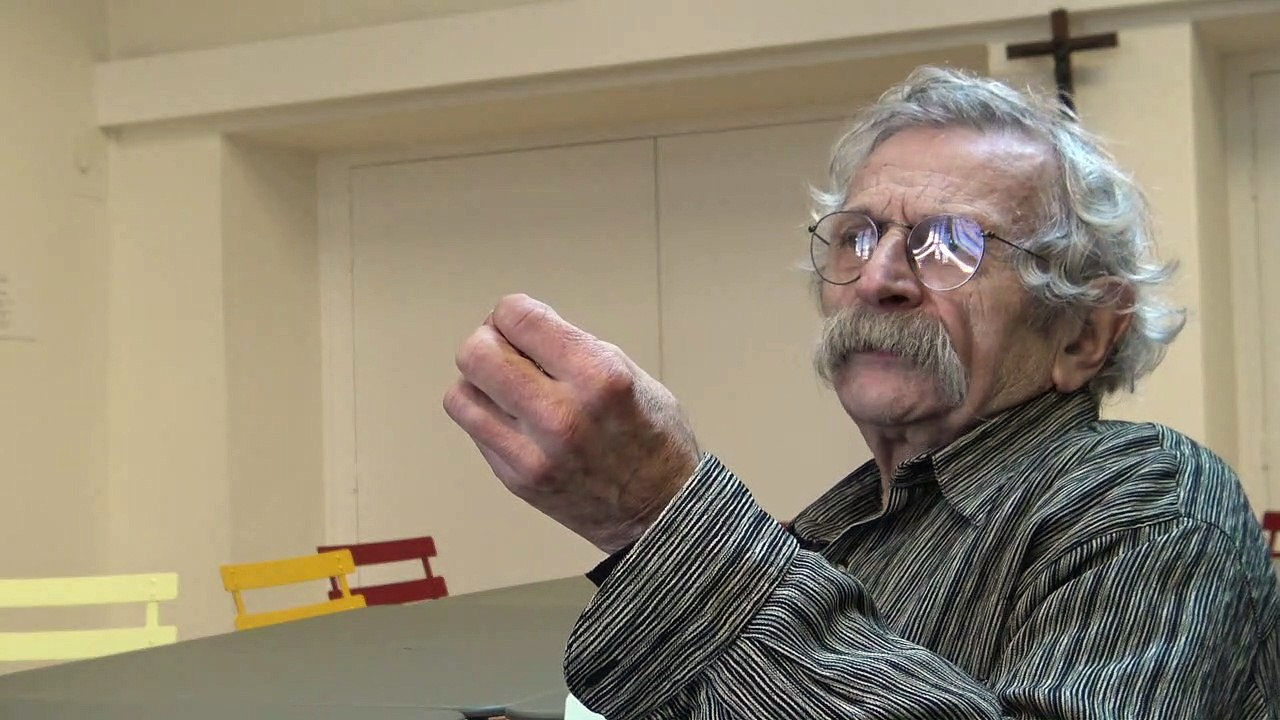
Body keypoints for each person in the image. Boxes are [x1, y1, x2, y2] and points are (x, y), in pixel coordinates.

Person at [443, 66, 1280, 718]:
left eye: (952, 245)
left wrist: (659, 516)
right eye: (859, 235)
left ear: (1083, 334)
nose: (880, 278)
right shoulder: (845, 526)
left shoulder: (1153, 509)